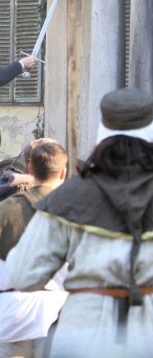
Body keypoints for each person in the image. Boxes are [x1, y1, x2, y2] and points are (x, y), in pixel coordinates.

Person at [7, 88, 153, 357]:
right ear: (152, 128)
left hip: (85, 334)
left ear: (103, 128)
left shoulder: (71, 194)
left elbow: (23, 273)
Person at [0, 138, 68, 358]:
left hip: (11, 316)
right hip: (55, 314)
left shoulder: (5, 209)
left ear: (30, 169)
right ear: (63, 172)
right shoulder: (76, 212)